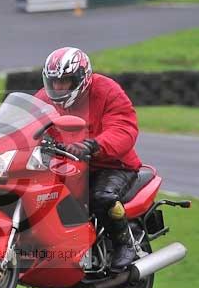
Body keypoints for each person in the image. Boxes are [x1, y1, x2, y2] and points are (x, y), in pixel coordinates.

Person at [34, 46, 142, 272]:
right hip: (66, 164)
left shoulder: (107, 91)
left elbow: (124, 129)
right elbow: (22, 121)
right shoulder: (44, 98)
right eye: (53, 81)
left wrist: (93, 145)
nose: (58, 87)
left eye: (64, 81)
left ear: (81, 78)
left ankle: (125, 243)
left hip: (111, 164)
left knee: (101, 196)